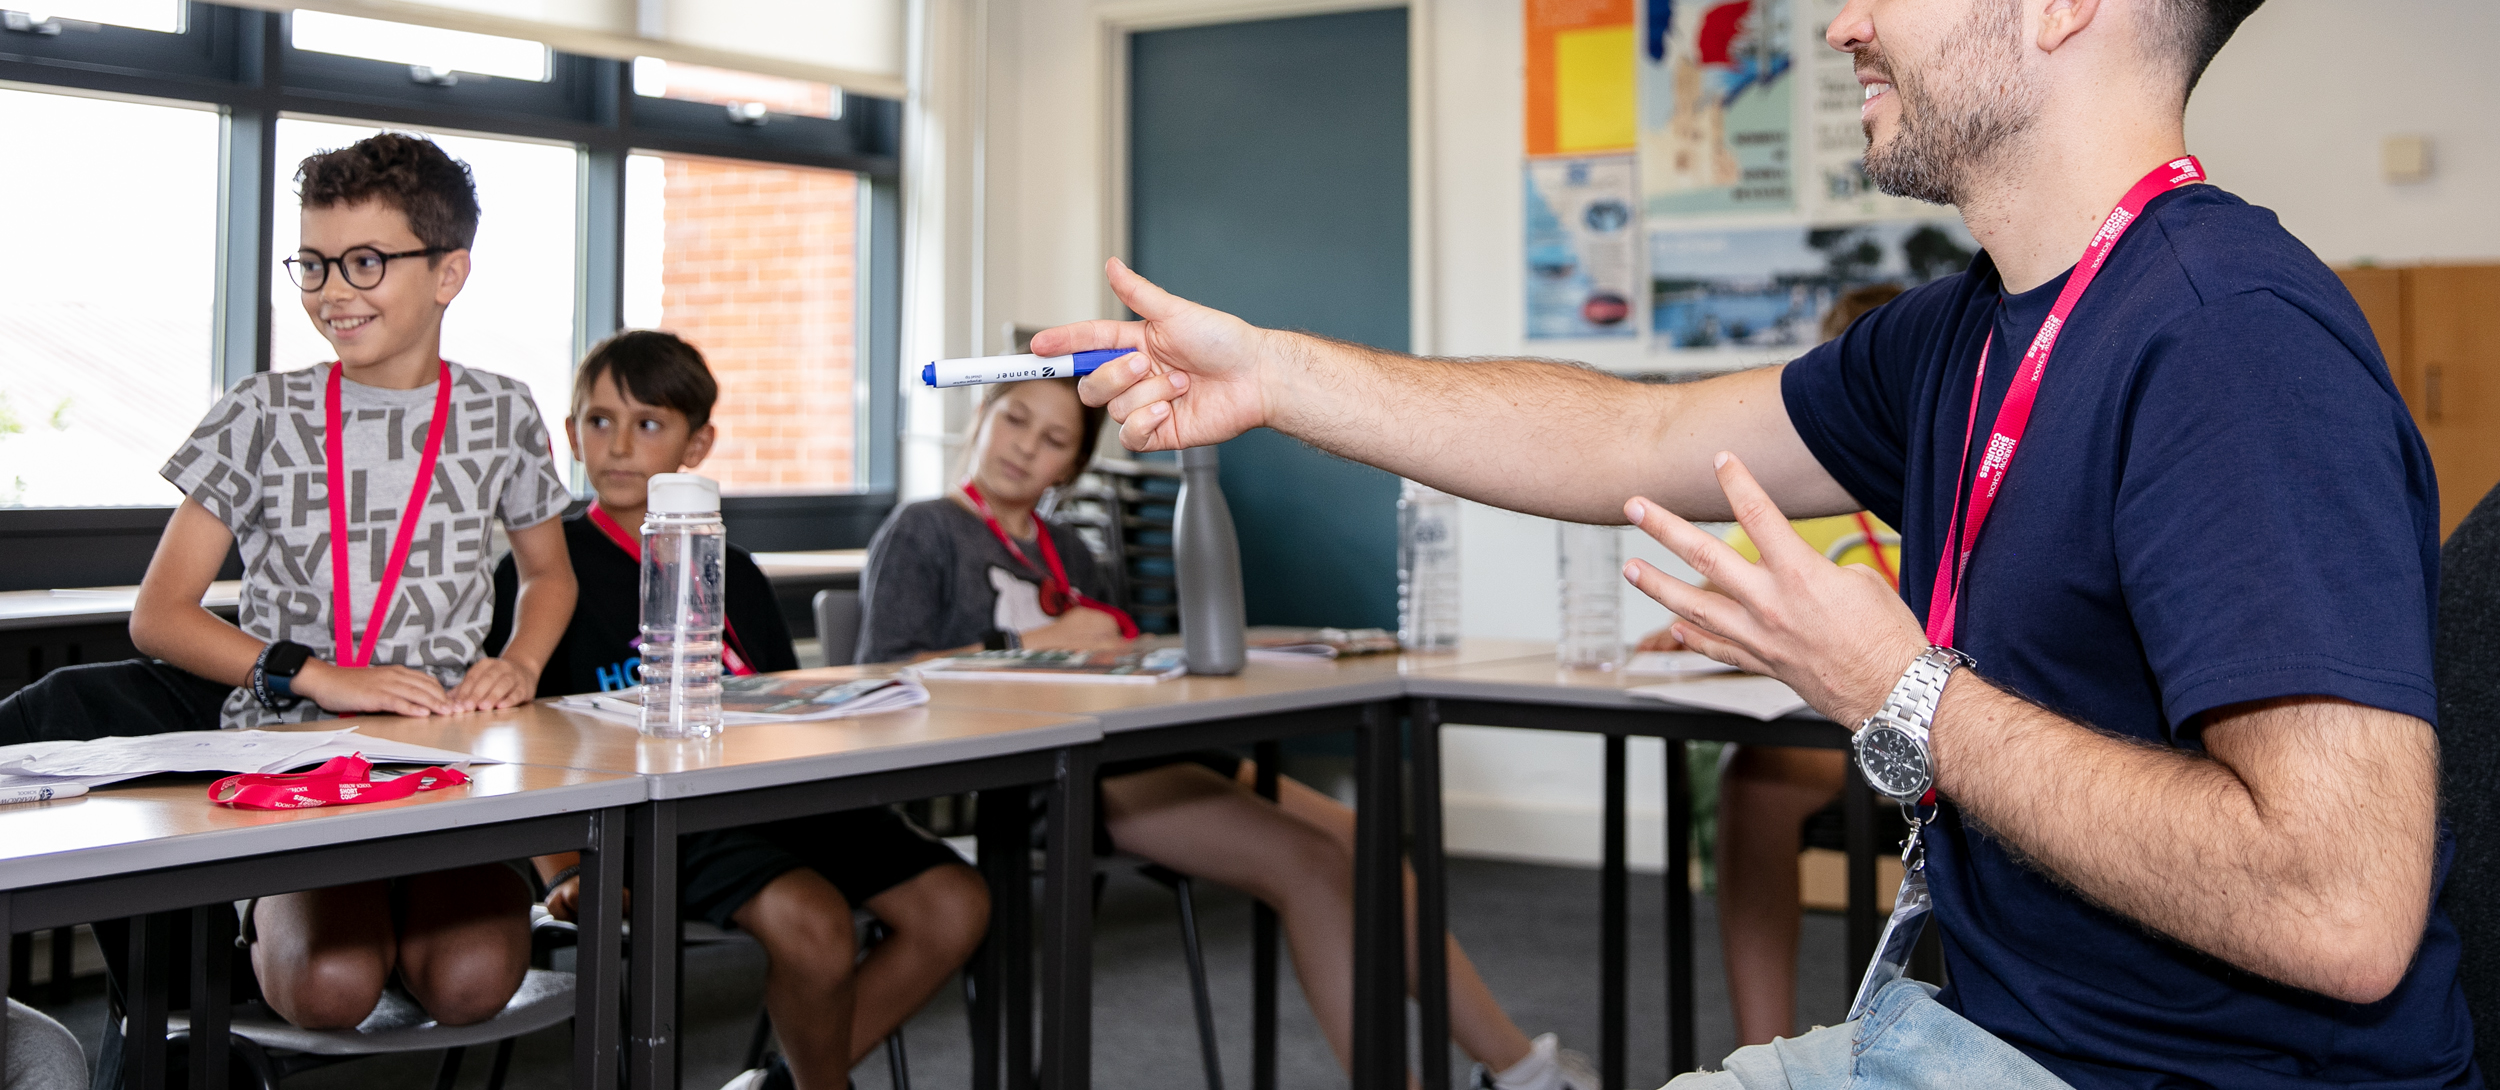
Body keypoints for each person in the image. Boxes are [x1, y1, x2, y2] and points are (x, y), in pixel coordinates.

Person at [1038, 0, 2476, 1086]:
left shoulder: (2230, 342)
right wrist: (1277, 374)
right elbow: (1627, 436)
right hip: (1971, 1023)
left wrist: (1905, 694)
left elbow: (2339, 906)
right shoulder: (1969, 326)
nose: (1846, 19)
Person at [859, 377, 1597, 1090]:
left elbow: (1118, 658)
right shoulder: (925, 528)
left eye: (1053, 439)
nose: (1025, 447)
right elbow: (882, 674)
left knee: (1370, 846)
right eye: (1015, 419)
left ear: (1072, 466)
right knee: (1308, 863)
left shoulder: (1071, 551)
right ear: (982, 415)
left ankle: (1518, 1068)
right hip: (1041, 771)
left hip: (1135, 745)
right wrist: (1027, 643)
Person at [121, 132, 576, 1031]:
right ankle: (308, 918)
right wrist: (319, 673)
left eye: (365, 262)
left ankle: (406, 914)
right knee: (333, 987)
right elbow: (158, 615)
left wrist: (520, 662)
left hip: (445, 758)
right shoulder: (261, 410)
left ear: (449, 274)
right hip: (293, 757)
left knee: (475, 981)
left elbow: (551, 575)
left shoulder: (503, 408)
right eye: (315, 264)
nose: (333, 292)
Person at [489, 330, 989, 1090]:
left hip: (772, 796)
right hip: (657, 819)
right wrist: (562, 865)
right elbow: (516, 730)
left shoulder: (737, 569)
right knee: (815, 924)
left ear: (698, 444)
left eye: (649, 423)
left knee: (956, 901)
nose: (619, 444)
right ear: (570, 434)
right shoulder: (543, 567)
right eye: (598, 421)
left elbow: (779, 702)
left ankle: (786, 1081)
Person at [1634, 284, 1905, 1049]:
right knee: (1751, 778)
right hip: (1828, 736)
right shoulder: (1793, 496)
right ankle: (1763, 1048)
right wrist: (1685, 629)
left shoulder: (1958, 467)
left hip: (1939, 722)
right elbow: (1727, 595)